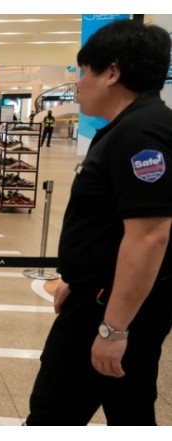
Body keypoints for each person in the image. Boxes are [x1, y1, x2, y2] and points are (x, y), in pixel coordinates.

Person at [26, 19, 172, 426]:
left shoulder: (141, 134)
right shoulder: (135, 126)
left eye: (83, 72)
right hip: (106, 297)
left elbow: (150, 237)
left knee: (52, 416)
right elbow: (114, 225)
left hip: (107, 313)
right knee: (131, 410)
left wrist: (113, 329)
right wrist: (78, 279)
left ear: (111, 72)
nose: (79, 84)